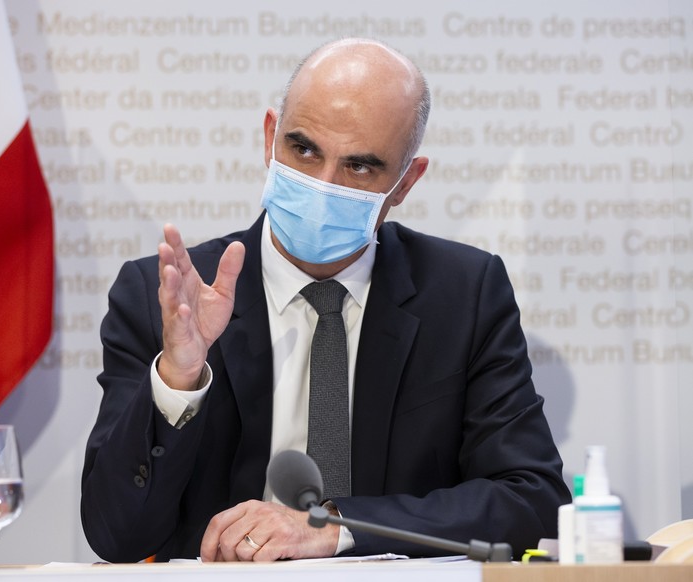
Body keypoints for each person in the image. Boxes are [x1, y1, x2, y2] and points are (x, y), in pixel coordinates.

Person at [81, 37, 570, 563]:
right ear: (271, 138)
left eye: (360, 167)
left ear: (405, 182)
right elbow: (117, 536)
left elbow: (531, 499)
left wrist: (338, 525)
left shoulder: (464, 294)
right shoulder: (165, 295)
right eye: (304, 149)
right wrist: (178, 381)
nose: (323, 184)